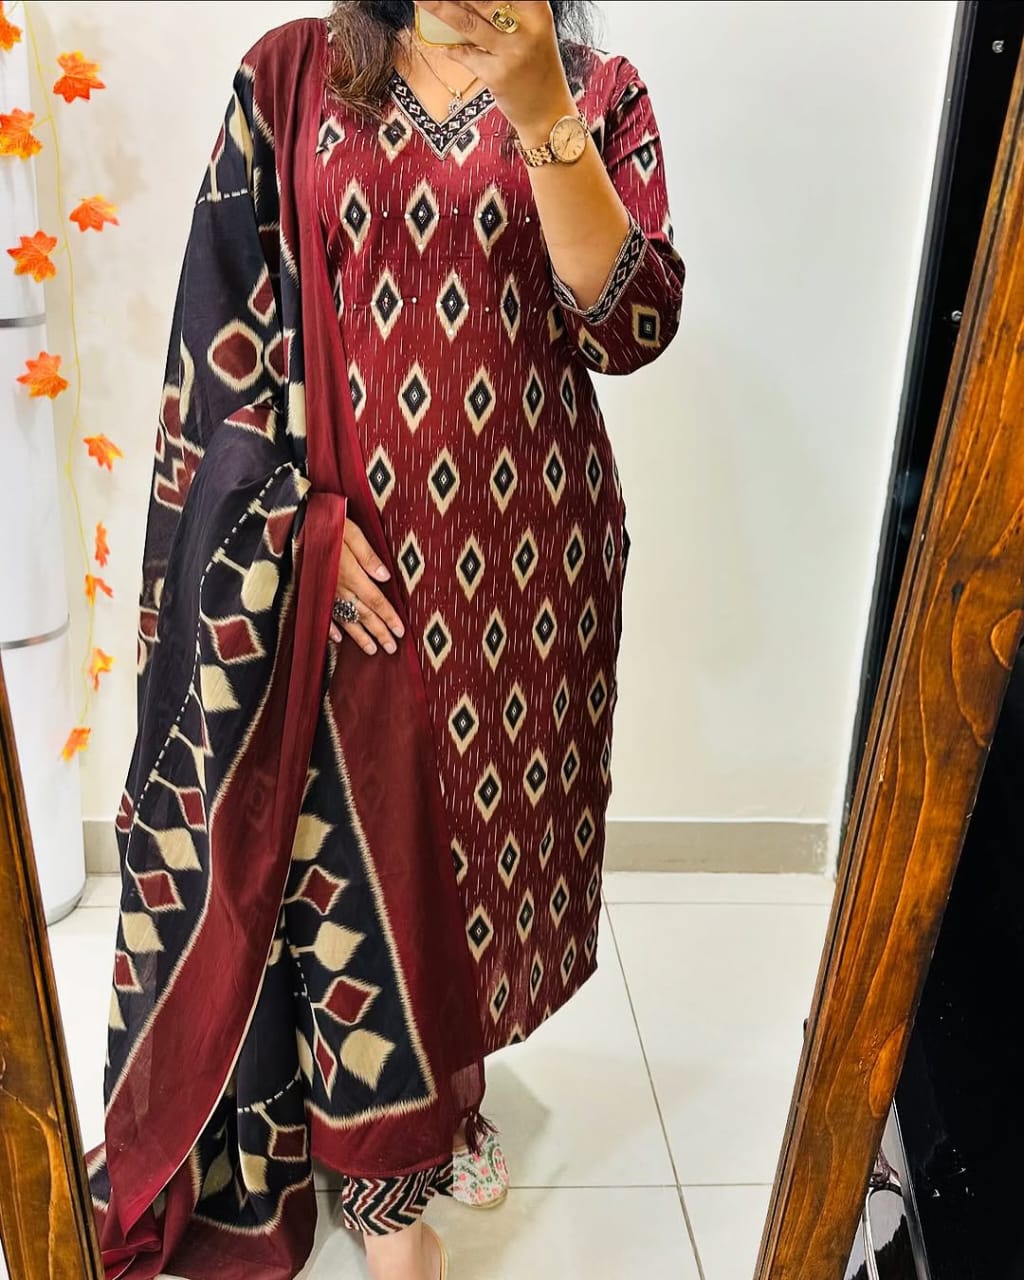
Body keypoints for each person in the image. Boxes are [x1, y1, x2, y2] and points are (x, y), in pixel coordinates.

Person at [86, 3, 684, 1278]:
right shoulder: (297, 73)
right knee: (345, 858)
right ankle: (389, 1194)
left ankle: (443, 1098)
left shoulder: (600, 90)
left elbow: (630, 326)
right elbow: (225, 324)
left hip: (525, 584)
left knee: (464, 876)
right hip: (334, 571)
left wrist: (542, 113)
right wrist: (289, 518)